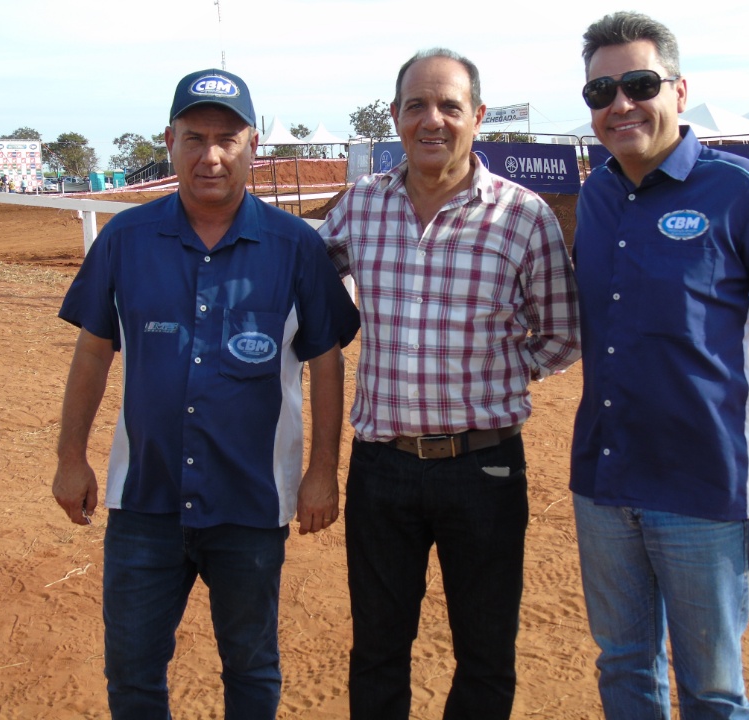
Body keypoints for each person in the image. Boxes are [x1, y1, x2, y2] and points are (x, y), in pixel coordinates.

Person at [51, 68, 359, 719]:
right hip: (144, 503)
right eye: (195, 137)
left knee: (250, 668)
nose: (211, 155)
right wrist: (70, 456)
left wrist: (323, 471)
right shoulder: (124, 241)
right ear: (170, 140)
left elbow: (326, 360)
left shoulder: (297, 248)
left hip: (251, 502)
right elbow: (93, 351)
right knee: (132, 673)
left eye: (227, 138)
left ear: (252, 145)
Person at [569, 12, 749, 719]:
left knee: (712, 689)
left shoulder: (739, 192)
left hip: (703, 488)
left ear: (680, 91)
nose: (620, 103)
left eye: (638, 83)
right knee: (624, 669)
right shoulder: (594, 197)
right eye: (601, 92)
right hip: (602, 481)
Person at [319, 48, 581, 720]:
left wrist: (496, 372)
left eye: (449, 106)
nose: (431, 119)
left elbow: (562, 332)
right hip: (381, 468)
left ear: (478, 116)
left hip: (485, 469)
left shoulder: (523, 217)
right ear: (396, 116)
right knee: (377, 650)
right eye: (416, 105)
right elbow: (308, 284)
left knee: (486, 654)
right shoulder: (358, 208)